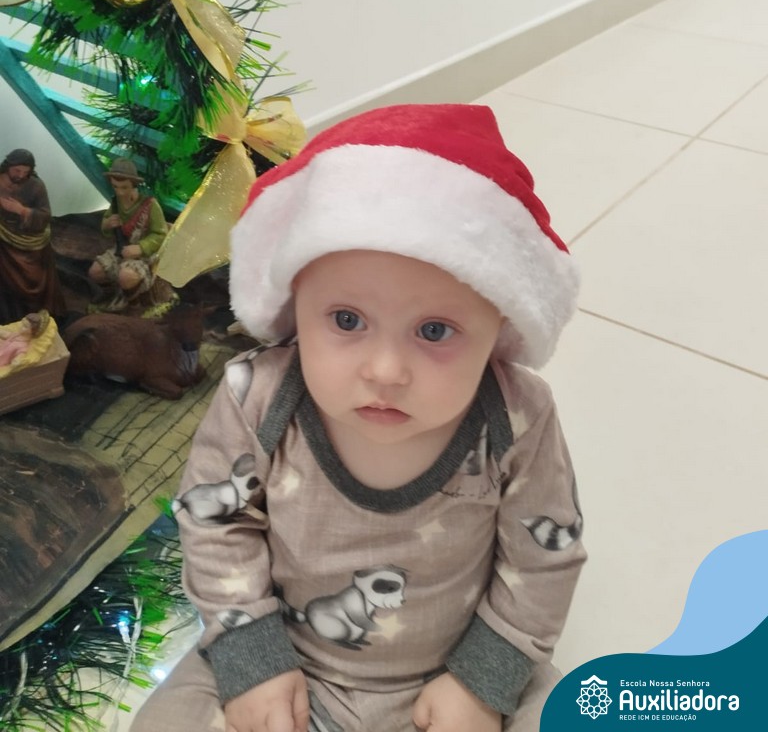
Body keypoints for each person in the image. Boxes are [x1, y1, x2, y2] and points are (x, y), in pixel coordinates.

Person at [132, 103, 586, 732]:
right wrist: (253, 662)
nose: (386, 370)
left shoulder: (517, 415)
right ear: (296, 302)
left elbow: (543, 559)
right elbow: (214, 525)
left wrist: (483, 682)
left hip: (458, 671)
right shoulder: (255, 395)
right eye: (346, 320)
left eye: (435, 330)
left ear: (500, 327)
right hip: (284, 657)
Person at [88, 158, 167, 312]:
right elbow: (106, 224)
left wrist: (141, 247)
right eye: (115, 187)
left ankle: (133, 303)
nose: (119, 192)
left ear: (134, 185)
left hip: (143, 256)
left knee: (126, 276)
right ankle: (111, 293)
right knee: (95, 271)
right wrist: (107, 223)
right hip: (120, 248)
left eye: (124, 187)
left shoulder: (150, 205)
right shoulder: (116, 202)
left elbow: (161, 234)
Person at [0, 148, 65, 325]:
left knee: (32, 277)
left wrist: (22, 211)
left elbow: (45, 216)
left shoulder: (36, 186)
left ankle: (29, 312)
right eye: (17, 170)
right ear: (8, 166)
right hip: (3, 237)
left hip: (27, 241)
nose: (20, 175)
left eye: (25, 172)